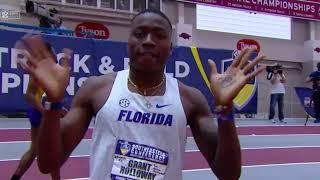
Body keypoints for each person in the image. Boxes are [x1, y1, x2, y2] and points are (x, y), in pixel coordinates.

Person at [16, 9, 265, 180]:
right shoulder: (98, 88)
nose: (148, 41)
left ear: (171, 48)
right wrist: (53, 103)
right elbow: (48, 164)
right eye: (139, 34)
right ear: (129, 43)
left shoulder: (189, 99)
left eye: (158, 35)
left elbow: (229, 174)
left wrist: (226, 109)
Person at [11, 42, 66, 180]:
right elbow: (29, 94)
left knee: (36, 150)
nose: (55, 53)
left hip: (45, 111)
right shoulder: (41, 70)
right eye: (52, 50)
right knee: (51, 151)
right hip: (41, 112)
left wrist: (58, 109)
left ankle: (15, 178)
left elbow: (52, 96)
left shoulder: (55, 70)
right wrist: (44, 111)